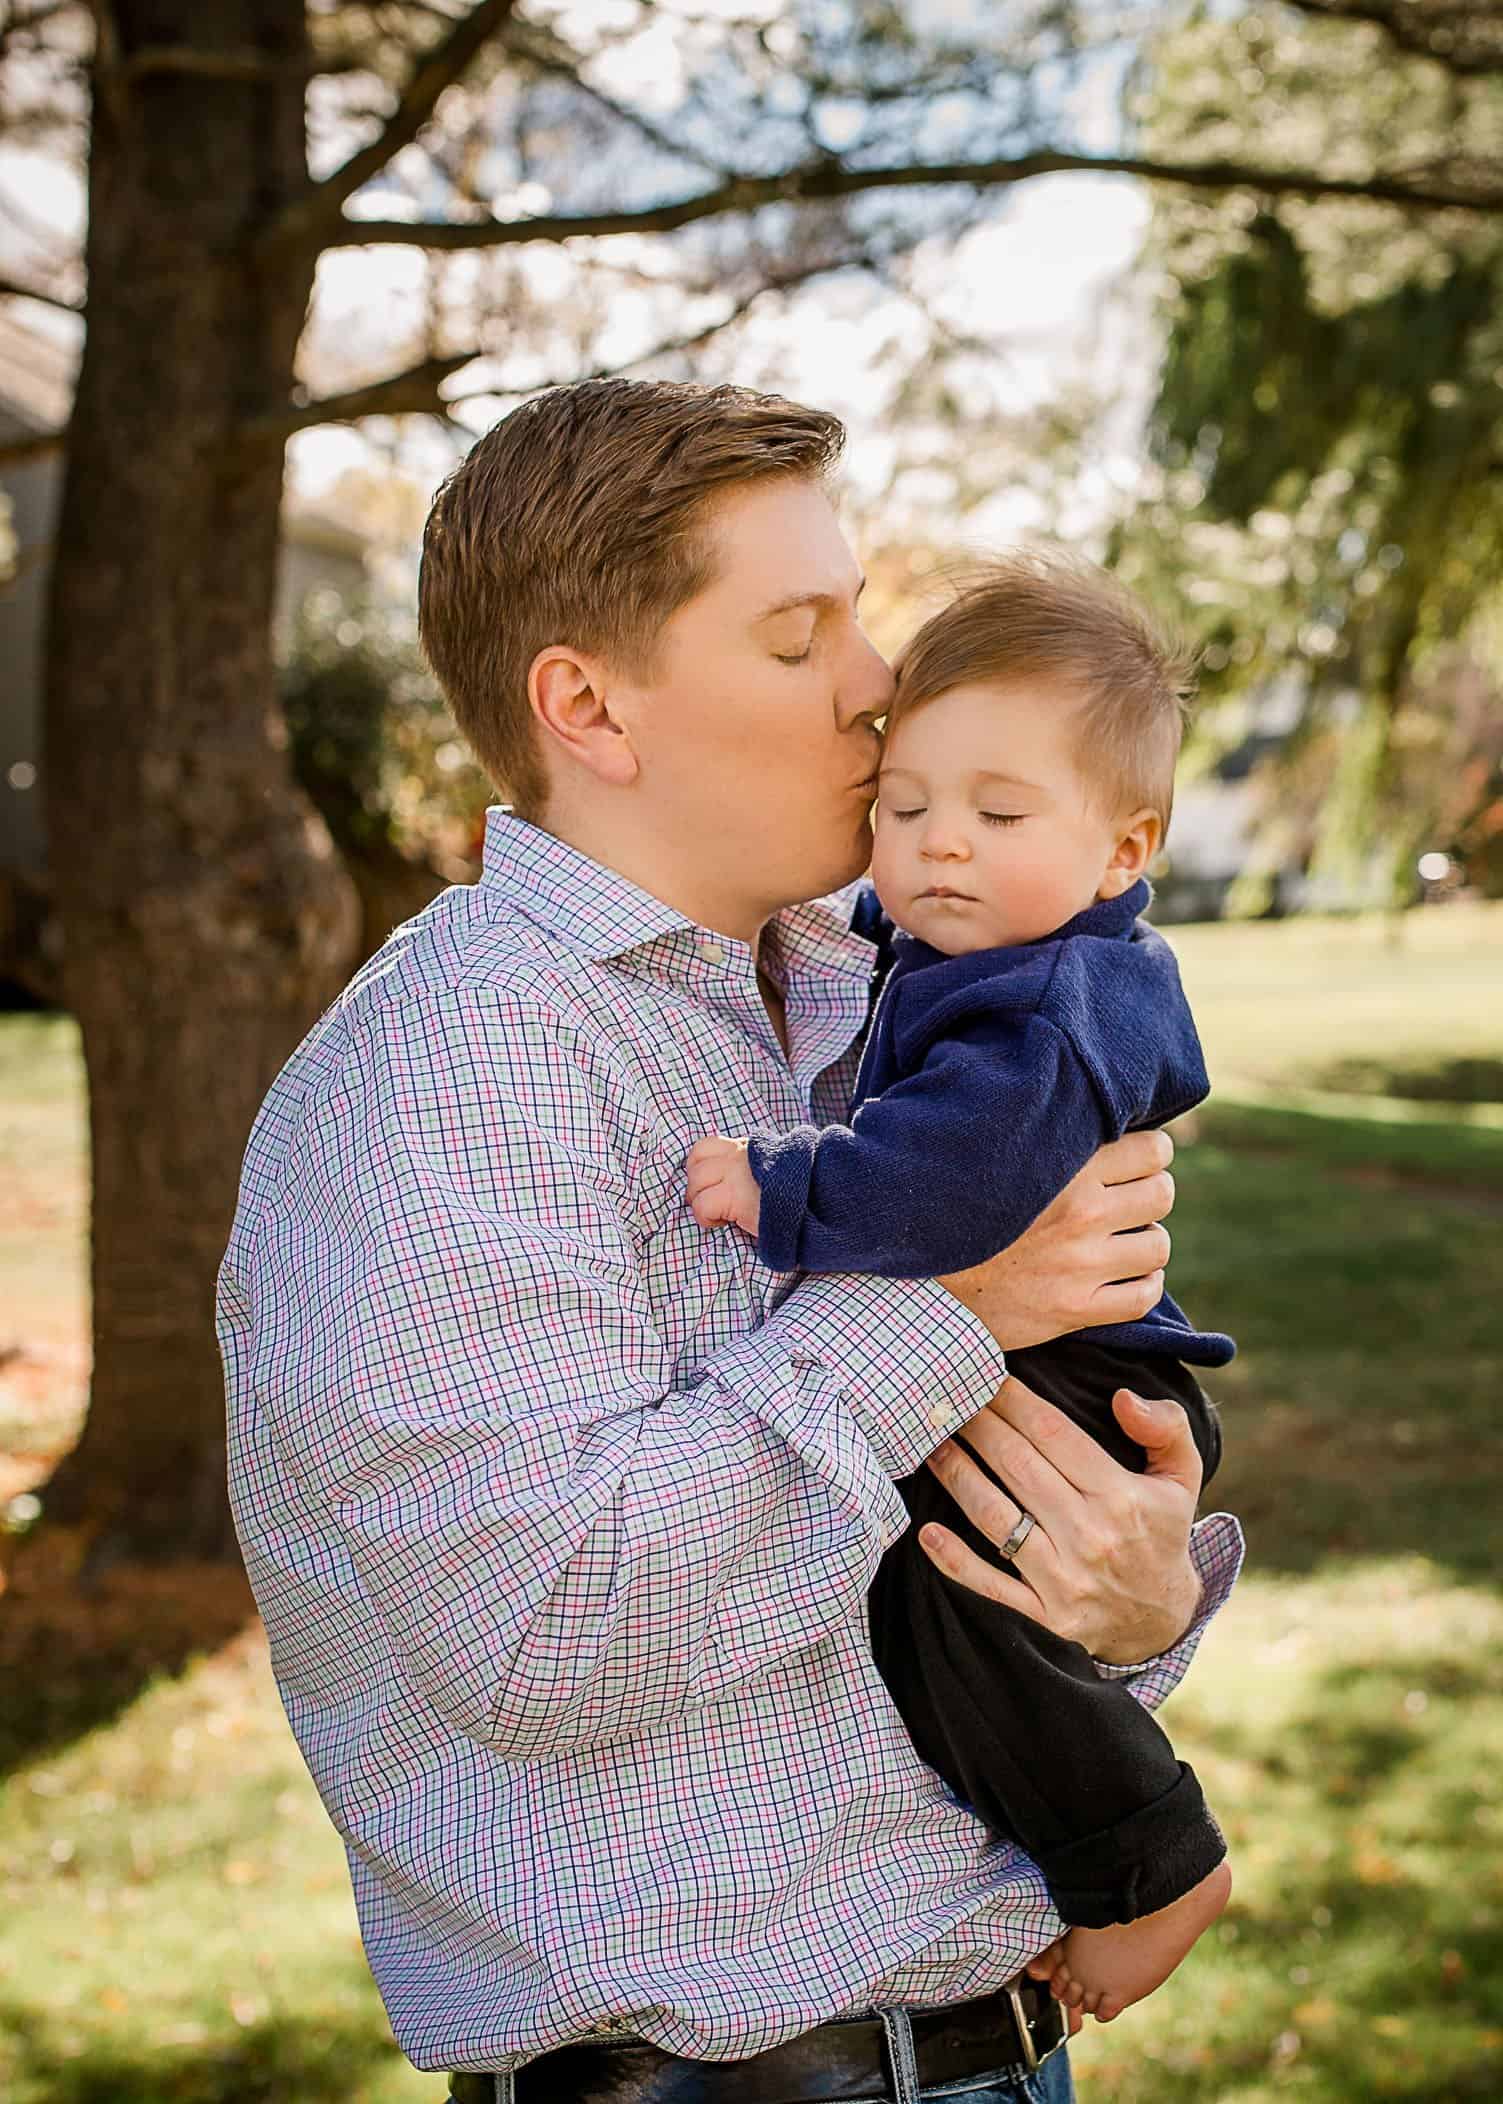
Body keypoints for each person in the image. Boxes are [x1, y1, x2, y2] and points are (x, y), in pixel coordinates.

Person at [217, 379, 1244, 2104]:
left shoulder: (875, 992)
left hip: (1001, 2047)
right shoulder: (453, 1068)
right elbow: (541, 1631)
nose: (875, 682)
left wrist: (1136, 1600)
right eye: (799, 638)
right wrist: (951, 1306)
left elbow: (899, 1582)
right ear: (590, 706)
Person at [687, 551, 1238, 2024]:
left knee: (949, 1611)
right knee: (943, 1604)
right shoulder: (977, 942)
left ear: (1124, 854)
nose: (938, 848)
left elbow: (950, 1183)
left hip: (1073, 1372)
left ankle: (1150, 1859)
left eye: (998, 815)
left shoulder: (1053, 1009)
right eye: (906, 806)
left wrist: (781, 1184)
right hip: (1048, 1353)